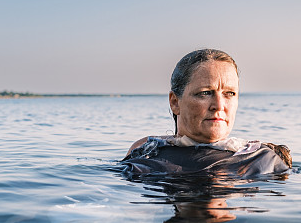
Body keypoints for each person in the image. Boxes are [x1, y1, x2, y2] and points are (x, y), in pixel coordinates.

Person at [122, 49, 292, 176]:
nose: (219, 105)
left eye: (229, 93)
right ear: (175, 102)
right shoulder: (146, 153)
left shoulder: (262, 159)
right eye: (205, 93)